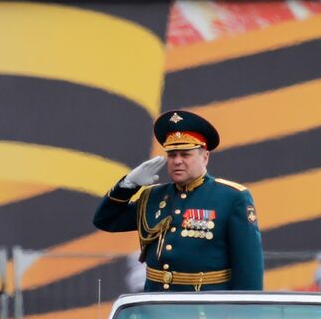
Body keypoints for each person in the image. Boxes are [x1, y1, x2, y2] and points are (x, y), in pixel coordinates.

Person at [93, 109, 264, 292]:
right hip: (157, 307)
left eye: (185, 154)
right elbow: (105, 220)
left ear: (205, 157)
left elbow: (248, 266)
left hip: (204, 310)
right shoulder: (153, 196)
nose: (177, 161)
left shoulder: (231, 197)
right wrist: (128, 184)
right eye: (172, 155)